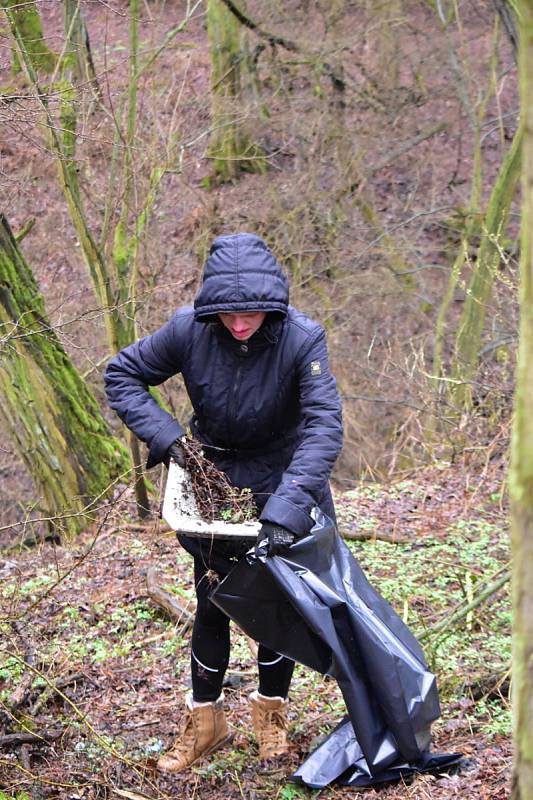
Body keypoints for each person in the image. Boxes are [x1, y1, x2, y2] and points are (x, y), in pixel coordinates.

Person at [104, 232, 343, 773]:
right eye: (228, 314)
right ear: (212, 307)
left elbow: (324, 426)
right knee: (213, 597)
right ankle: (205, 722)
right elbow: (122, 375)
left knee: (276, 602)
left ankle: (271, 718)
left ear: (271, 306)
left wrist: (286, 509)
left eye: (251, 313)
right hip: (211, 478)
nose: (239, 324)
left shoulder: (301, 339)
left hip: (284, 477)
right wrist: (168, 441)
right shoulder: (188, 329)